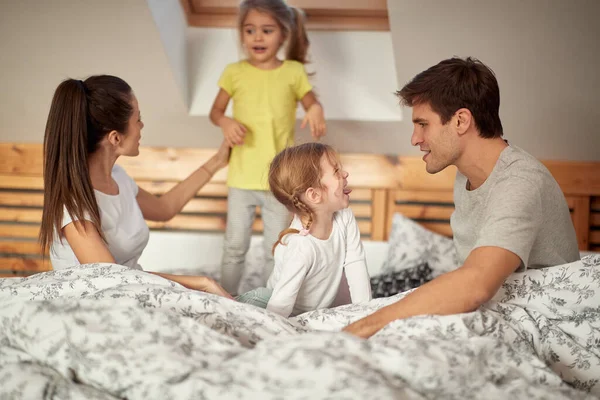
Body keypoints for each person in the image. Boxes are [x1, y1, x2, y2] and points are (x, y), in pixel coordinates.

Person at [343, 57, 580, 338]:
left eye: (422, 124)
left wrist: (366, 326)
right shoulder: (465, 176)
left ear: (460, 120)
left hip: (548, 327)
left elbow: (476, 284)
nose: (414, 138)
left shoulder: (520, 181)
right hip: (496, 315)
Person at [39, 75, 232, 299]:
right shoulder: (74, 204)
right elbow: (113, 280)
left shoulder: (118, 177)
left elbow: (164, 208)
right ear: (115, 138)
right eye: (137, 119)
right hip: (97, 304)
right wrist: (199, 283)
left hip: (133, 293)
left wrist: (218, 160)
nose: (142, 126)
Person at [209, 0, 326, 295]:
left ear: (283, 35)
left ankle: (270, 301)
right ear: (242, 35)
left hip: (279, 181)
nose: (257, 37)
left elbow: (312, 103)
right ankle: (225, 297)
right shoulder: (234, 72)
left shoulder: (293, 72)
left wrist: (315, 111)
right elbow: (216, 112)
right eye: (250, 30)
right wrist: (226, 123)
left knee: (276, 247)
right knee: (235, 246)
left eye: (266, 30)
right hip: (241, 178)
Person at [236, 143, 372, 317]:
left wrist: (367, 314)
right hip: (269, 304)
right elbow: (280, 305)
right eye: (337, 171)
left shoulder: (345, 217)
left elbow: (355, 262)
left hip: (308, 310)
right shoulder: (302, 246)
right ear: (314, 195)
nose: (345, 174)